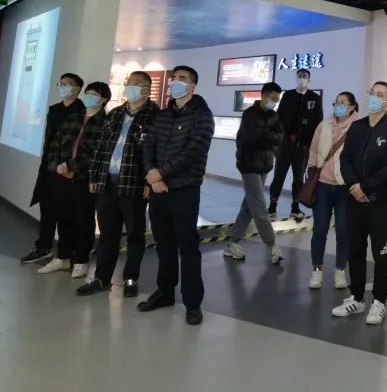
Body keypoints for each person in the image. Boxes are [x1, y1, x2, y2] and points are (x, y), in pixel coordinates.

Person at [138, 66, 215, 326]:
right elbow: (149, 145)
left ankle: (192, 303)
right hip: (159, 190)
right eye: (174, 78)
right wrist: (153, 175)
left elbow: (195, 151)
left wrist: (160, 174)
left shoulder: (202, 116)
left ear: (193, 86)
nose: (175, 82)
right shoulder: (163, 114)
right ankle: (165, 292)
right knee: (164, 244)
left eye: (182, 79)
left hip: (184, 190)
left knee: (188, 247)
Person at [77, 71, 160, 298]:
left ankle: (130, 278)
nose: (131, 87)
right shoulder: (115, 113)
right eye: (129, 83)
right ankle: (102, 278)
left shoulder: (156, 116)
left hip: (134, 184)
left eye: (137, 84)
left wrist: (149, 181)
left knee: (134, 234)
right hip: (107, 183)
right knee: (108, 234)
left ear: (147, 88)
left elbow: (157, 152)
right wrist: (94, 176)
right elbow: (101, 148)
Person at [331, 81, 387, 326]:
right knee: (355, 251)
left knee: (381, 253)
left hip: (380, 203)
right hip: (354, 201)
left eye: (379, 95)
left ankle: (380, 301)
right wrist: (354, 185)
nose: (374, 97)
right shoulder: (357, 127)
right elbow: (345, 159)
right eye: (372, 93)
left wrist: (366, 187)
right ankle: (357, 297)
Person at [38, 82, 110, 279]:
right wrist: (59, 166)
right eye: (87, 93)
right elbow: (55, 146)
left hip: (85, 178)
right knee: (63, 217)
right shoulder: (73, 118)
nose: (88, 97)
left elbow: (97, 152)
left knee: (84, 219)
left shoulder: (106, 123)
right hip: (62, 176)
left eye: (94, 94)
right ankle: (62, 256)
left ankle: (81, 260)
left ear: (103, 99)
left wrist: (71, 167)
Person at [21, 73, 84, 264]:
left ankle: (67, 252)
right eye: (61, 83)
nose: (63, 87)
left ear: (77, 89)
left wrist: (69, 166)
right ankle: (43, 247)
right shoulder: (55, 109)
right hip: (49, 166)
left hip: (67, 169)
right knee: (46, 208)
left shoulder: (81, 111)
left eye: (68, 84)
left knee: (65, 213)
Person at [221, 82, 285, 265]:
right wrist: (269, 137)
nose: (274, 102)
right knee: (259, 207)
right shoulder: (249, 114)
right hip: (249, 165)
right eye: (272, 98)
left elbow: (280, 137)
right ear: (263, 95)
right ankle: (272, 244)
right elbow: (251, 139)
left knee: (249, 206)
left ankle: (232, 243)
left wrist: (266, 135)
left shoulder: (273, 115)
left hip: (265, 165)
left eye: (277, 99)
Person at [307, 91, 360, 290]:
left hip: (345, 187)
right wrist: (312, 169)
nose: (338, 105)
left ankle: (340, 269)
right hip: (322, 185)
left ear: (352, 107)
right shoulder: (324, 125)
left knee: (344, 231)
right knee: (319, 229)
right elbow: (313, 149)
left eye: (343, 103)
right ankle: (317, 270)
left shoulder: (358, 127)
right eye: (336, 102)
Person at [268, 68, 323, 220]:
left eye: (304, 76)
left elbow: (318, 122)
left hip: (302, 146)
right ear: (296, 77)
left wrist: (310, 144)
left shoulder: (314, 98)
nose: (301, 78)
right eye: (299, 76)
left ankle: (295, 206)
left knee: (298, 178)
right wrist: (278, 140)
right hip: (285, 144)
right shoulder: (288, 95)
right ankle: (272, 205)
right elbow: (279, 117)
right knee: (278, 176)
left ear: (309, 79)